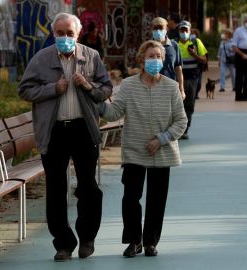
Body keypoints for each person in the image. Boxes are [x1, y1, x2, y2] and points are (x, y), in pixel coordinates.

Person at [18, 12, 113, 262]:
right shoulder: (41, 58)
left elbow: (106, 90)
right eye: (60, 33)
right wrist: (53, 89)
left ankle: (87, 239)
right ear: (53, 34)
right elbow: (24, 90)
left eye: (70, 33)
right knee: (56, 189)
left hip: (84, 129)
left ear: (78, 34)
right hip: (55, 132)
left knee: (88, 188)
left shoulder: (91, 57)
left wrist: (88, 86)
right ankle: (63, 243)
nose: (65, 38)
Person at [100, 40, 187, 258]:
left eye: (159, 56)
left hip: (162, 151)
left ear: (163, 59)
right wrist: (95, 100)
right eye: (151, 56)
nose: (155, 60)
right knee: (130, 197)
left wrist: (162, 138)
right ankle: (133, 241)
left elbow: (180, 121)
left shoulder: (171, 86)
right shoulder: (129, 85)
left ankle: (150, 242)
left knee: (157, 199)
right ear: (141, 60)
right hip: (134, 151)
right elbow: (114, 113)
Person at [177, 20, 208, 140]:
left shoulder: (196, 42)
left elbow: (204, 60)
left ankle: (185, 129)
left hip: (192, 79)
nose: (184, 32)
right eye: (182, 30)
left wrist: (194, 54)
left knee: (189, 104)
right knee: (177, 104)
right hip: (177, 79)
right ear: (178, 31)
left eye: (186, 30)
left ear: (190, 31)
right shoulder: (174, 43)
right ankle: (176, 128)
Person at [151, 17, 185, 100]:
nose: (158, 31)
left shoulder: (174, 46)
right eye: (155, 28)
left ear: (166, 29)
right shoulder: (148, 46)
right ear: (151, 30)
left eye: (160, 28)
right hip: (151, 88)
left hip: (170, 89)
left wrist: (181, 89)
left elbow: (178, 69)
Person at [232, 14, 247, 101]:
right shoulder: (238, 31)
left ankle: (246, 94)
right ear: (243, 22)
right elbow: (234, 46)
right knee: (240, 75)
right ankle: (238, 95)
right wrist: (242, 54)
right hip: (241, 54)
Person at [190, 28, 209, 99]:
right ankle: (193, 94)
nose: (192, 34)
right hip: (190, 66)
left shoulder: (198, 42)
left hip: (199, 65)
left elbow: (205, 54)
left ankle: (196, 93)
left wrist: (205, 65)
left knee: (198, 82)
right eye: (191, 33)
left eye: (193, 33)